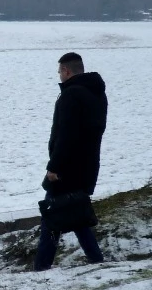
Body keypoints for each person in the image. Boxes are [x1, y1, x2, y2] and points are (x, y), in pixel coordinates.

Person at [34, 52, 108, 271]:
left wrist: (54, 167)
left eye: (59, 71)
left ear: (66, 70)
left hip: (67, 168)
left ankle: (41, 267)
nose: (59, 75)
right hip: (87, 165)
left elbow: (66, 135)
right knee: (77, 215)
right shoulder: (96, 94)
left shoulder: (71, 95)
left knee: (53, 215)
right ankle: (96, 259)